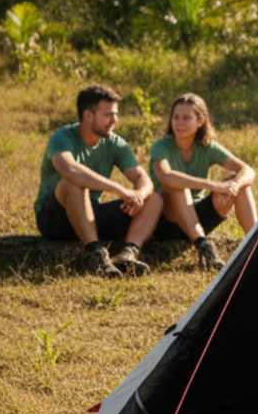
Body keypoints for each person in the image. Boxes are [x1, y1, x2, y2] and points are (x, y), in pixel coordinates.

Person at [34, 84, 162, 278]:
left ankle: (127, 254)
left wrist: (138, 195)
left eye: (115, 114)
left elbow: (142, 178)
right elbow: (69, 168)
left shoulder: (115, 143)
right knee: (74, 183)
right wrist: (119, 189)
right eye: (108, 115)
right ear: (88, 115)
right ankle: (96, 255)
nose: (114, 120)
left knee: (154, 199)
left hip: (90, 214)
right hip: (54, 218)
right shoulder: (62, 138)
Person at [150, 93, 257, 271]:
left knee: (240, 183)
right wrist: (212, 185)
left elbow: (248, 170)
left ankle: (256, 242)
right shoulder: (160, 146)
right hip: (167, 220)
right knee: (176, 184)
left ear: (200, 121)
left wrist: (235, 185)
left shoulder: (207, 146)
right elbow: (165, 175)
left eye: (186, 118)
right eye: (176, 117)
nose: (179, 123)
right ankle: (203, 245)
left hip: (198, 215)